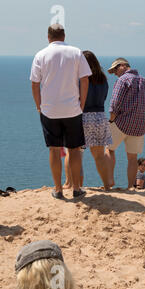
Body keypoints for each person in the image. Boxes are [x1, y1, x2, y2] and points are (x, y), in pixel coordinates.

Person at [30, 24, 90, 199]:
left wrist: (39, 106)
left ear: (48, 37)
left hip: (49, 110)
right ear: (64, 36)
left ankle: (58, 189)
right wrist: (82, 103)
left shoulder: (40, 55)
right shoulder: (76, 52)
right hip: (73, 109)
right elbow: (85, 79)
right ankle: (77, 188)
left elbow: (34, 83)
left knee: (54, 150)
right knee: (74, 149)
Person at [106, 58, 145, 190]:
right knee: (133, 158)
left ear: (123, 66)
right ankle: (130, 187)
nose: (115, 73)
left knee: (109, 150)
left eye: (115, 69)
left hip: (121, 122)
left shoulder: (122, 80)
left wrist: (111, 120)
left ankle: (109, 181)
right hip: (140, 127)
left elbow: (115, 103)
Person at [81, 50, 113, 191]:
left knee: (75, 154)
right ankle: (107, 185)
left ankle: (76, 186)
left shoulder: (81, 78)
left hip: (83, 117)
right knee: (99, 156)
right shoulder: (103, 79)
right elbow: (104, 97)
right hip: (100, 117)